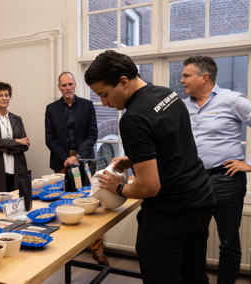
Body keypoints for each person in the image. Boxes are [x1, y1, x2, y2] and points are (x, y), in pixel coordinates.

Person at [85, 50, 216, 283]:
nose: (104, 103)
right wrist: (134, 159)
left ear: (123, 81)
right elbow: (173, 146)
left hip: (171, 213)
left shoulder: (133, 117)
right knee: (195, 275)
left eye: (104, 94)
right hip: (200, 201)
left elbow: (148, 188)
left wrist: (117, 187)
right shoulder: (167, 94)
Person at [181, 55, 251, 284]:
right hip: (193, 181)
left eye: (186, 75)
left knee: (228, 242)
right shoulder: (182, 107)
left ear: (204, 77)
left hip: (227, 180)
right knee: (191, 239)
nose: (181, 80)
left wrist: (249, 164)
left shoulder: (232, 100)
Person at [45, 72, 106, 265]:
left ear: (75, 85)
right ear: (59, 87)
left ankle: (97, 250)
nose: (68, 88)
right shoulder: (51, 109)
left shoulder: (87, 106)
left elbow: (93, 134)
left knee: (90, 205)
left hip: (84, 161)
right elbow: (50, 139)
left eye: (70, 84)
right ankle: (65, 250)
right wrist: (66, 158)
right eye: (64, 85)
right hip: (61, 164)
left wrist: (77, 157)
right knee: (62, 205)